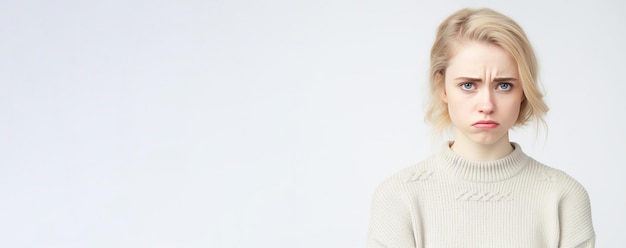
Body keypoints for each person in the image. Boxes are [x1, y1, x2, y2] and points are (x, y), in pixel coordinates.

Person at [367, 8, 595, 248]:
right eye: (468, 85)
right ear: (442, 87)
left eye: (504, 85)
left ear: (523, 92)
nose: (486, 105)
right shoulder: (398, 197)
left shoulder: (564, 198)